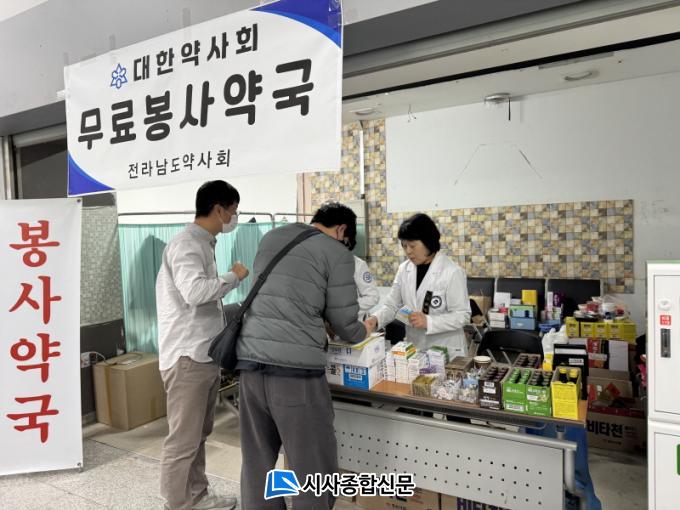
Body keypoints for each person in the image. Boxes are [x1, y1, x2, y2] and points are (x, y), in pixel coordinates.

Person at [235, 202, 374, 510]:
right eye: (347, 240)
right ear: (342, 230)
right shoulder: (337, 253)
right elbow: (345, 324)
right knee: (312, 465)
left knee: (257, 460)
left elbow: (284, 297)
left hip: (250, 366)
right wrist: (365, 328)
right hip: (295, 376)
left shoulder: (272, 237)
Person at [156, 180, 249, 510]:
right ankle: (177, 504)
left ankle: (197, 496)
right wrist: (233, 276)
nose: (235, 217)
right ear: (219, 209)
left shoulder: (203, 243)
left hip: (202, 355)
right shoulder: (186, 244)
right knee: (183, 440)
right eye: (234, 211)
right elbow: (194, 293)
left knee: (197, 435)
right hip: (187, 358)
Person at [366, 213, 471, 358]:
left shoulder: (452, 272)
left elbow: (462, 315)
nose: (408, 251)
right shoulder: (404, 269)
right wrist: (374, 320)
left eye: (412, 246)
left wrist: (429, 322)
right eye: (404, 246)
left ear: (428, 241)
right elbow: (391, 305)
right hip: (415, 348)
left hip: (446, 350)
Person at [354, 255, 380, 320]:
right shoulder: (328, 263)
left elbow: (373, 297)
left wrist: (347, 310)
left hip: (356, 320)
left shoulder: (358, 264)